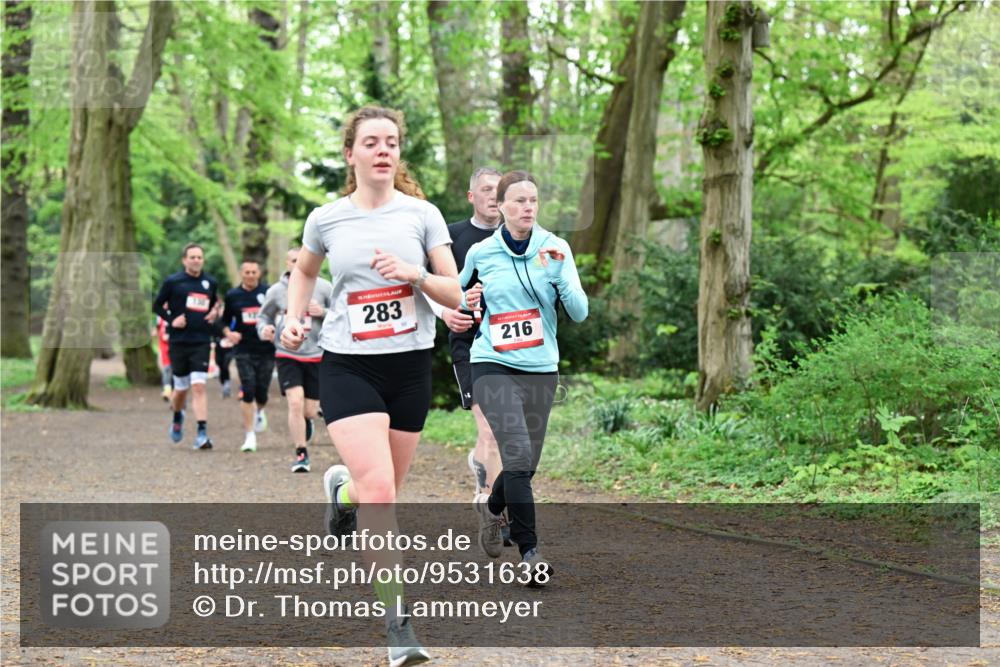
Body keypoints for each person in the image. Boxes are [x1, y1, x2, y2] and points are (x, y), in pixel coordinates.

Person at [281, 105, 460, 667]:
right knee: (381, 492)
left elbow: (454, 294)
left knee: (379, 490)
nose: (383, 150)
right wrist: (294, 314)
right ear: (351, 153)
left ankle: (341, 494)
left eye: (392, 142)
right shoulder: (327, 218)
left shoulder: (423, 216)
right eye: (372, 142)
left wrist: (415, 277)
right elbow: (306, 271)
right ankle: (398, 625)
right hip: (348, 365)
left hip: (408, 369)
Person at [459, 170, 588, 585]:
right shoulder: (481, 253)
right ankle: (530, 552)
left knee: (524, 466)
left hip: (540, 368)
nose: (527, 207)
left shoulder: (556, 248)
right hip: (492, 364)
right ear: (500, 206)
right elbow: (454, 301)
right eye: (518, 201)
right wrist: (466, 300)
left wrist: (558, 277)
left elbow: (580, 312)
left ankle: (493, 509)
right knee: (515, 454)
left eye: (533, 200)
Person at [426, 167, 513, 545]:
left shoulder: (520, 236)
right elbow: (428, 283)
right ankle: (498, 517)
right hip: (470, 342)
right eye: (487, 190)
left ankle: (482, 468)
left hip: (513, 345)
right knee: (491, 430)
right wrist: (445, 312)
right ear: (471, 196)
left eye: (500, 190)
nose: (494, 196)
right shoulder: (451, 235)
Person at [258, 247, 334, 472]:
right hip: (287, 353)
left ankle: (307, 420)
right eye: (293, 260)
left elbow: (342, 313)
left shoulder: (324, 287)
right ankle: (301, 453)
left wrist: (322, 312)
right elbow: (263, 316)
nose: (298, 263)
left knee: (310, 410)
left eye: (301, 259)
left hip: (316, 353)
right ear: (286, 263)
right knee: (294, 401)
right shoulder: (276, 291)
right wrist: (265, 329)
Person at [152, 243, 220, 450]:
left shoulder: (210, 282)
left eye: (199, 257)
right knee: (180, 390)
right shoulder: (173, 282)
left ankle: (201, 432)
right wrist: (171, 319)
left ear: (203, 260)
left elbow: (213, 305)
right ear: (184, 260)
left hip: (201, 341)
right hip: (179, 341)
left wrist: (214, 313)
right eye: (192, 257)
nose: (196, 260)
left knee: (199, 385)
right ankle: (177, 416)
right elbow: (156, 306)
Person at [222, 260, 275, 452]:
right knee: (248, 389)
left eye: (254, 272)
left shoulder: (269, 292)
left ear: (259, 273)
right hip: (243, 349)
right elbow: (225, 321)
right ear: (241, 274)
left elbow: (277, 316)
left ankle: (260, 410)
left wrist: (274, 330)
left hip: (266, 349)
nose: (251, 275)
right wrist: (229, 333)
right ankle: (250, 435)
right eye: (247, 272)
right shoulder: (233, 295)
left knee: (262, 392)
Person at [155, 316, 172, 402]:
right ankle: (167, 391)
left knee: (175, 370)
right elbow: (157, 329)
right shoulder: (160, 317)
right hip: (164, 347)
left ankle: (175, 392)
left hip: (176, 346)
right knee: (167, 369)